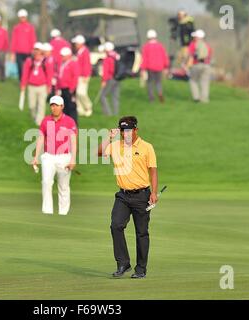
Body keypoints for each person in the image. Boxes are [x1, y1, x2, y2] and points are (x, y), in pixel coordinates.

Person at [97, 116, 158, 279]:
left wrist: (153, 192)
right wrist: (109, 137)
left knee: (142, 232)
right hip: (123, 195)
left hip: (142, 195)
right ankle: (123, 263)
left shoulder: (146, 147)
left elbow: (153, 170)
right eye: (123, 131)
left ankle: (141, 269)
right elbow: (99, 153)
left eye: (129, 130)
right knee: (116, 226)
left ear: (136, 130)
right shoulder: (116, 146)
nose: (126, 134)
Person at [32, 95, 77, 215]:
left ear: (62, 106)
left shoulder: (69, 121)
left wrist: (73, 159)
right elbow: (41, 138)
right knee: (46, 182)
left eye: (56, 105)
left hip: (64, 157)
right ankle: (47, 211)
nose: (54, 108)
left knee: (63, 186)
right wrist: (36, 157)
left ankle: (63, 212)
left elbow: (73, 141)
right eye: (52, 105)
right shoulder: (46, 120)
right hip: (49, 156)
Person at [21, 42, 52, 125]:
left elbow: (49, 75)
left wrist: (49, 86)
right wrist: (23, 84)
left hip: (42, 86)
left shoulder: (46, 61)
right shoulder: (29, 60)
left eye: (38, 50)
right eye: (35, 49)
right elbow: (25, 73)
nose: (36, 52)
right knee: (32, 105)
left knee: (41, 105)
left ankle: (39, 121)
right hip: (32, 86)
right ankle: (34, 117)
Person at [140, 29, 170, 103]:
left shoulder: (146, 47)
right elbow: (164, 56)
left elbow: (144, 58)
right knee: (158, 82)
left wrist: (142, 69)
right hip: (160, 67)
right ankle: (160, 93)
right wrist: (166, 66)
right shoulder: (160, 46)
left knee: (150, 82)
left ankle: (151, 98)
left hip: (150, 67)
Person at [186, 29, 212, 103]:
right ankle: (204, 99)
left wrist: (187, 65)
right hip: (206, 66)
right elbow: (209, 56)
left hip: (196, 65)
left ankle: (196, 97)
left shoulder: (193, 44)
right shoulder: (207, 45)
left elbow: (190, 55)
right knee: (205, 82)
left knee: (193, 80)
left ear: (197, 37)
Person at [10, 9, 37, 81]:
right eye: (21, 17)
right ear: (19, 18)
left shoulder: (30, 27)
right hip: (19, 52)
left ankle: (30, 80)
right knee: (20, 67)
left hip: (28, 52)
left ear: (26, 17)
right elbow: (14, 40)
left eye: (24, 17)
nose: (22, 18)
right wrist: (12, 53)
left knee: (29, 67)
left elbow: (33, 39)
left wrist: (34, 50)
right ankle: (21, 81)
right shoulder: (16, 28)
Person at [72, 34, 92, 117]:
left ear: (80, 43)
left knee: (81, 93)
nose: (75, 45)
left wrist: (86, 76)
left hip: (83, 76)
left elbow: (87, 65)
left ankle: (88, 107)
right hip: (77, 75)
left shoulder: (85, 51)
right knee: (77, 93)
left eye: (76, 43)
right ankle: (80, 109)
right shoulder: (79, 52)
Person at [57, 47, 78, 125]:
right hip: (62, 88)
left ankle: (74, 123)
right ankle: (66, 122)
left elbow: (75, 77)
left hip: (69, 88)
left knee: (71, 106)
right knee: (64, 107)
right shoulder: (62, 64)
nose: (62, 57)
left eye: (63, 55)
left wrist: (72, 88)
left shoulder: (72, 63)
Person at [100, 42, 120, 116]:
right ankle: (115, 113)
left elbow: (105, 71)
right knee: (115, 96)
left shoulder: (107, 59)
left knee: (103, 96)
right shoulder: (117, 56)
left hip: (110, 79)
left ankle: (108, 114)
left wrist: (103, 81)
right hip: (118, 78)